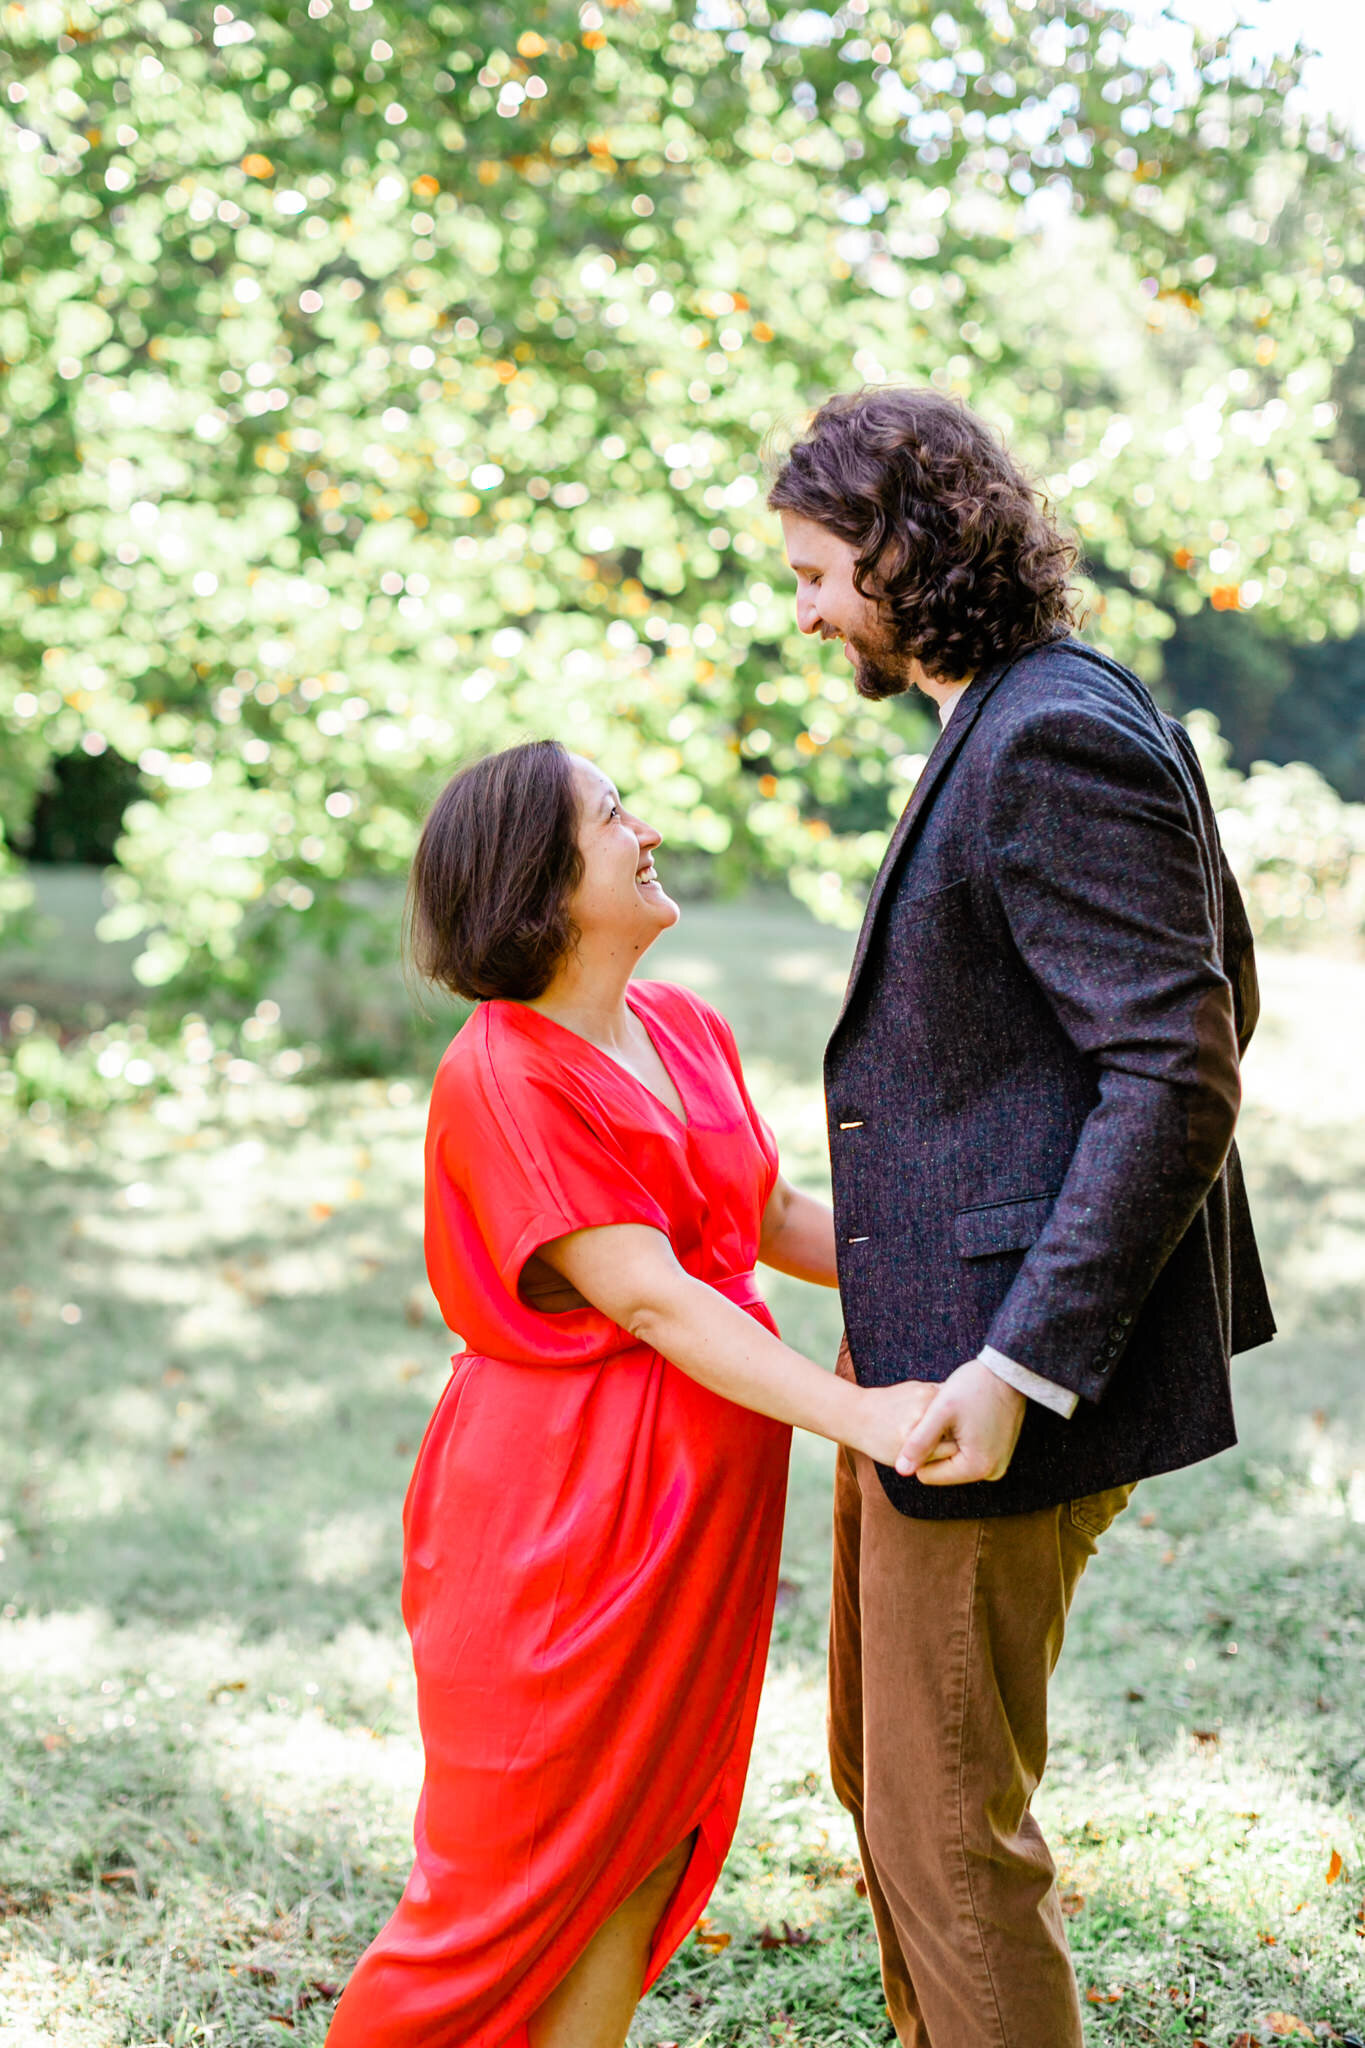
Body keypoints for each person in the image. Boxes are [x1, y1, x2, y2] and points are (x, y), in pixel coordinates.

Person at [767, 386, 1275, 2048]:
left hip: (989, 1388)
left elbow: (1176, 1064)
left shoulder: (1050, 726)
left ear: (907, 549)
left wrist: (1024, 1356)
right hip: (925, 1354)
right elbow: (1201, 1004)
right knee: (886, 1783)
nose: (807, 608)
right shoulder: (1022, 710)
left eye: (819, 570)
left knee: (943, 1828)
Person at [325, 739, 934, 2048]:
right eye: (612, 817)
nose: (643, 830)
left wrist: (970, 1254)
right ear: (539, 880)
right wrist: (867, 1418)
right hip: (559, 1531)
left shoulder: (682, 1027)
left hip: (693, 1531)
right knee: (502, 1891)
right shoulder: (502, 1076)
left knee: (648, 1843)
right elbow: (652, 1296)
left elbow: (762, 1214)